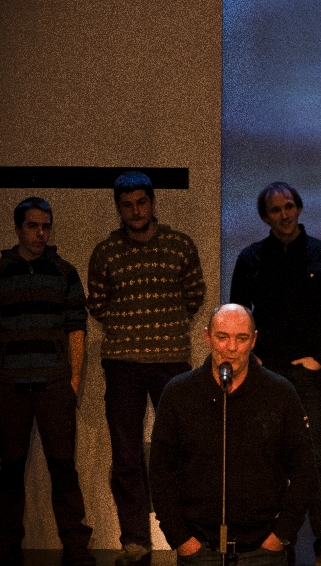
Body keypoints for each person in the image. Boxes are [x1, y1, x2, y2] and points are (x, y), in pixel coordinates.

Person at [230, 182, 321, 566]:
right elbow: (239, 315)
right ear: (265, 216)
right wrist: (252, 360)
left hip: (306, 373)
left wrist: (320, 358)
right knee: (267, 460)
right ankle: (273, 541)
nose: (284, 215)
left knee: (317, 460)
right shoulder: (251, 258)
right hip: (265, 374)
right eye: (275, 210)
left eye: (288, 206)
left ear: (298, 208)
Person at [87, 171, 205, 566]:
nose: (136, 211)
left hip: (171, 361)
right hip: (122, 364)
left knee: (180, 450)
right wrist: (131, 329)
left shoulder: (180, 245)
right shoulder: (105, 252)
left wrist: (162, 328)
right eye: (127, 205)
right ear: (118, 209)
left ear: (152, 203)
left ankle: (188, 536)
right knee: (126, 455)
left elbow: (194, 295)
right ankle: (135, 541)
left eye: (141, 202)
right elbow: (97, 304)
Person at [149, 303, 316, 566]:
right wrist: (180, 538)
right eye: (222, 337)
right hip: (198, 548)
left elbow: (305, 471)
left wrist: (281, 535)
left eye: (241, 338)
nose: (231, 347)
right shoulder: (179, 393)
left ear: (254, 340)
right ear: (207, 337)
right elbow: (160, 472)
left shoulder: (280, 393)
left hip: (263, 551)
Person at [0, 197, 94, 566]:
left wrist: (73, 380)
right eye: (33, 226)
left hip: (55, 386)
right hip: (8, 387)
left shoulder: (65, 273)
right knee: (10, 470)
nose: (41, 233)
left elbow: (77, 329)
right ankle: (6, 546)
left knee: (63, 468)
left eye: (46, 226)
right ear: (18, 228)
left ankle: (76, 546)